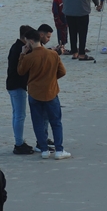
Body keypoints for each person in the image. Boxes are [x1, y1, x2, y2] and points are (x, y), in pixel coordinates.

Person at [16, 28, 70, 159]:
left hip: (35, 93)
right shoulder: (53, 54)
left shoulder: (29, 57)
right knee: (56, 122)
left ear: (30, 41)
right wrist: (51, 79)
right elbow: (62, 72)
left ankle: (44, 149)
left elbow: (21, 71)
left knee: (38, 122)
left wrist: (22, 54)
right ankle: (59, 150)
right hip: (50, 91)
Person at [7, 25, 38, 154]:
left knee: (17, 114)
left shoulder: (16, 47)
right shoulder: (21, 49)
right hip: (17, 85)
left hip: (13, 84)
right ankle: (18, 144)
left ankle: (19, 142)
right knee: (19, 115)